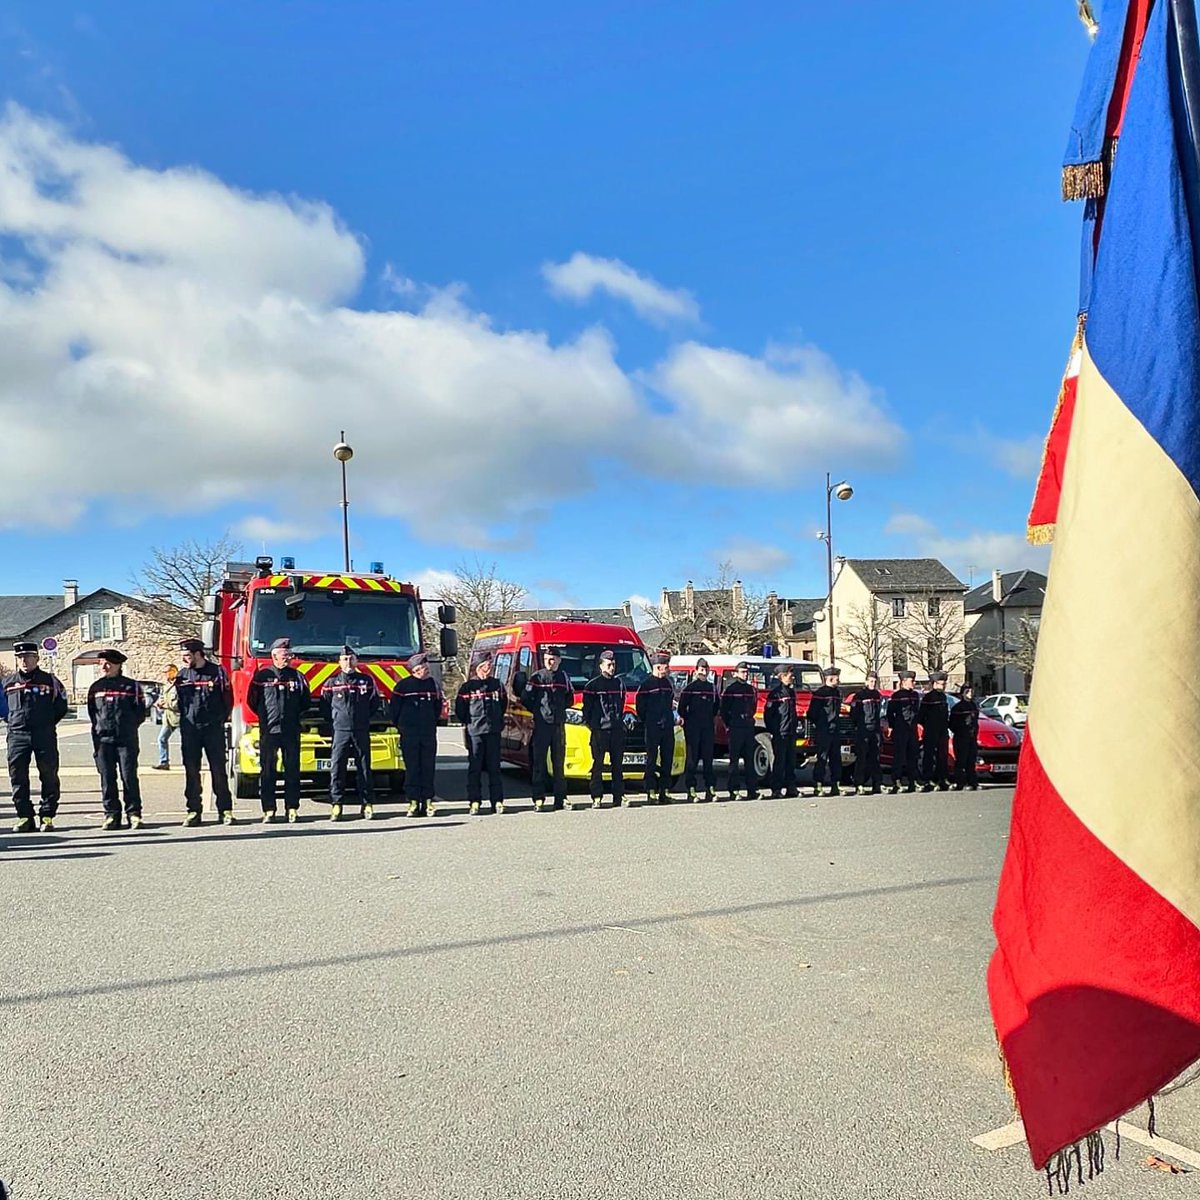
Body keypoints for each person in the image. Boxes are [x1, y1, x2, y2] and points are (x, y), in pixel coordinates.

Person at [3, 641, 68, 833]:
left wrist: (46, 723)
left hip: (43, 734)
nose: (24, 660)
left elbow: (61, 706)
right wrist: (14, 721)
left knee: (48, 774)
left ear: (37, 658)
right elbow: (3, 708)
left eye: (28, 656)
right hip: (17, 736)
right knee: (17, 776)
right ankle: (24, 816)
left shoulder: (50, 681)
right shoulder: (7, 683)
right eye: (20, 657)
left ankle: (47, 816)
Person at [248, 637, 311, 822]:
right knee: (268, 770)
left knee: (292, 770)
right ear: (274, 655)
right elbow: (253, 701)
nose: (288, 657)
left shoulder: (297, 676)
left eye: (288, 654)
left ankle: (292, 808)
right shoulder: (262, 676)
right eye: (284, 655)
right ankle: (269, 809)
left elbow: (304, 702)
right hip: (269, 731)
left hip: (291, 730)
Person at [175, 637, 235, 826]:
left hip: (212, 730)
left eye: (187, 655)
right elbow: (177, 702)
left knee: (218, 770)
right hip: (190, 730)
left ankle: (225, 810)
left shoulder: (217, 672)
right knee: (191, 772)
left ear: (198, 654)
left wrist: (219, 719)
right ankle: (193, 811)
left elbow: (228, 699)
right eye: (182, 656)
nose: (184, 659)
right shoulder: (182, 676)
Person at [86, 649, 148, 830]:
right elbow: (93, 713)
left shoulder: (132, 687)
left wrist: (126, 727)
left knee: (129, 777)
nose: (104, 667)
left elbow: (140, 713)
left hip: (126, 739)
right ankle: (111, 815)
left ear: (118, 665)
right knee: (107, 778)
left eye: (108, 663)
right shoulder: (95, 688)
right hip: (103, 740)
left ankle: (134, 813)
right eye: (102, 663)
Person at [323, 645, 378, 821]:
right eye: (345, 659)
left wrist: (361, 719)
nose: (348, 662)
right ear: (339, 662)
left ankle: (367, 804)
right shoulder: (332, 683)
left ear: (356, 660)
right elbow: (325, 706)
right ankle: (337, 805)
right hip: (340, 731)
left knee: (363, 768)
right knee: (337, 768)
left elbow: (373, 703)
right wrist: (337, 720)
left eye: (351, 658)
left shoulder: (366, 681)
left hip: (361, 730)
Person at [514, 647, 571, 811]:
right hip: (542, 725)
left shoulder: (563, 677)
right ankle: (538, 798)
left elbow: (569, 698)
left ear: (559, 660)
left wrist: (559, 711)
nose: (550, 662)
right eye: (547, 659)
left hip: (558, 724)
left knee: (559, 763)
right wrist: (539, 713)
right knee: (539, 763)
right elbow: (526, 697)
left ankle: (561, 799)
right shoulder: (537, 677)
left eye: (553, 659)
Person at [389, 651, 441, 817]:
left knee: (428, 767)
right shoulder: (403, 686)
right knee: (412, 768)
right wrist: (403, 727)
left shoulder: (433, 685)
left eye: (427, 666)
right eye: (423, 667)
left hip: (427, 733)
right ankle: (413, 802)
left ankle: (427, 801)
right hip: (409, 733)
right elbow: (394, 711)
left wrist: (431, 722)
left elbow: (437, 707)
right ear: (415, 669)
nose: (427, 669)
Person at [455, 653, 507, 814]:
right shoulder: (467, 687)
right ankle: (474, 801)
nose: (488, 669)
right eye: (485, 666)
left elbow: (503, 704)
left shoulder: (497, 685)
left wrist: (497, 721)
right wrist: (470, 723)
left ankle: (497, 801)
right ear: (478, 668)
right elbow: (460, 710)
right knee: (475, 768)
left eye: (489, 666)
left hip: (493, 731)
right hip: (475, 732)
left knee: (494, 768)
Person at [581, 649, 626, 808]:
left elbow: (621, 705)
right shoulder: (592, 685)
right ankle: (597, 797)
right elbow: (586, 710)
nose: (612, 667)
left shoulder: (619, 684)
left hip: (616, 730)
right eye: (609, 664)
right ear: (601, 666)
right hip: (600, 730)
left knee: (617, 766)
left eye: (613, 664)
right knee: (598, 765)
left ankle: (618, 797)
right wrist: (594, 725)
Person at [636, 652, 676, 805]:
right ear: (657, 667)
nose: (667, 670)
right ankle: (650, 791)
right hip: (652, 727)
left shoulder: (668, 683)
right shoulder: (646, 685)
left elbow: (671, 702)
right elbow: (641, 707)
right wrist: (649, 720)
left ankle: (664, 791)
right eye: (665, 667)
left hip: (667, 727)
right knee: (651, 760)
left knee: (667, 760)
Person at [677, 657, 718, 802]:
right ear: (696, 671)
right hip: (693, 728)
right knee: (692, 760)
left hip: (707, 728)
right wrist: (690, 720)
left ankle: (710, 788)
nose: (704, 672)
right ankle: (691, 789)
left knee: (708, 760)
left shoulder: (712, 688)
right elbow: (681, 708)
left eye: (706, 670)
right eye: (701, 669)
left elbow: (716, 707)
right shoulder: (690, 688)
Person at [720, 661, 758, 801]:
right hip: (735, 728)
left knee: (749, 760)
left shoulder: (751, 689)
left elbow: (753, 707)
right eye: (742, 672)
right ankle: (734, 790)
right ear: (736, 673)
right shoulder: (731, 690)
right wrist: (729, 725)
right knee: (734, 761)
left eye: (746, 672)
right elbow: (724, 710)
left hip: (748, 727)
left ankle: (752, 790)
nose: (745, 674)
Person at [764, 664, 798, 799]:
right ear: (782, 676)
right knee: (779, 762)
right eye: (790, 674)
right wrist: (774, 730)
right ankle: (776, 789)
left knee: (791, 761)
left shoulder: (791, 692)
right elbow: (769, 715)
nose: (792, 677)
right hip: (780, 733)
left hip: (790, 732)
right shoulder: (775, 694)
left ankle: (791, 788)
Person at [809, 666, 843, 797]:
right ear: (829, 678)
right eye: (836, 677)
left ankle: (836, 785)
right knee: (822, 758)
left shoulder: (838, 693)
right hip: (824, 729)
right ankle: (818, 785)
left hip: (835, 729)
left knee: (836, 758)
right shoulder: (820, 693)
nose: (838, 680)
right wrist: (821, 724)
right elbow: (812, 712)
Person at [885, 670, 921, 794]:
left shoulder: (915, 695)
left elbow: (917, 712)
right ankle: (897, 781)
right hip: (901, 729)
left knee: (913, 757)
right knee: (899, 757)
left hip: (912, 729)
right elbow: (890, 713)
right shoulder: (897, 696)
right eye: (912, 681)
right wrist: (893, 726)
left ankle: (913, 781)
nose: (914, 683)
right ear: (904, 681)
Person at [849, 671, 884, 796]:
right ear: (866, 681)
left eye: (874, 681)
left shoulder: (877, 695)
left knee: (875, 758)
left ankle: (877, 784)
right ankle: (859, 784)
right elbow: (853, 713)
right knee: (862, 758)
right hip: (863, 730)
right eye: (870, 681)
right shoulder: (859, 696)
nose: (873, 683)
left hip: (875, 730)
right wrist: (859, 726)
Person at [918, 671, 951, 792]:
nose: (943, 686)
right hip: (931, 730)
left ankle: (942, 778)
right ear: (934, 684)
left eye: (944, 684)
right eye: (941, 684)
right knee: (929, 756)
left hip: (942, 730)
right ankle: (928, 779)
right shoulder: (928, 698)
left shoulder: (943, 697)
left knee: (942, 756)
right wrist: (928, 725)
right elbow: (921, 716)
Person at [949, 683, 981, 791]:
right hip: (961, 737)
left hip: (972, 737)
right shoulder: (958, 708)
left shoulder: (973, 705)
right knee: (961, 761)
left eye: (971, 691)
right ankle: (960, 783)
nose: (970, 694)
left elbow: (975, 721)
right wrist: (961, 731)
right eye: (968, 692)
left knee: (971, 760)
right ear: (962, 694)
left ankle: (973, 782)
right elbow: (952, 724)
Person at [152, 664, 180, 770]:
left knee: (187, 742)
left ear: (174, 671)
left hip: (179, 718)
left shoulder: (179, 685)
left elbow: (178, 703)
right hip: (168, 718)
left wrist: (166, 705)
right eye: (164, 672)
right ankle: (164, 762)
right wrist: (159, 703)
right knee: (161, 739)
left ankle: (191, 762)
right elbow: (162, 698)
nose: (165, 674)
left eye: (167, 671)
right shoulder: (165, 686)